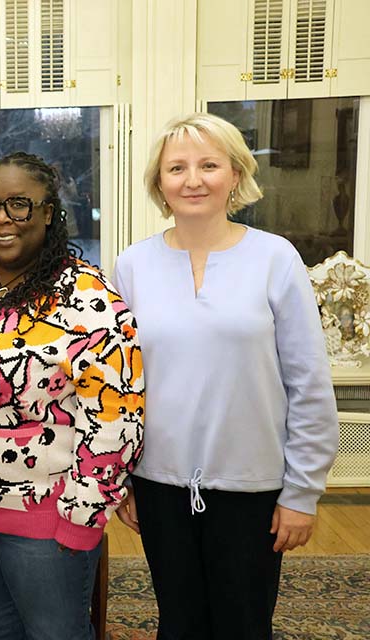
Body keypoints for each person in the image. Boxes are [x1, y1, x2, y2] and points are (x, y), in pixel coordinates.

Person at [112, 112, 339, 640]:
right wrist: (122, 479)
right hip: (159, 484)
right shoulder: (132, 266)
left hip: (252, 486)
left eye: (209, 164)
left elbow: (308, 381)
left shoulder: (275, 258)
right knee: (179, 622)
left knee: (244, 624)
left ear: (235, 175)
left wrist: (302, 491)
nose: (193, 179)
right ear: (159, 183)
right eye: (177, 167)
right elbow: (120, 385)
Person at [0, 151, 145, 640]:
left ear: (49, 213)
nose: (1, 219)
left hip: (48, 511)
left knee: (55, 632)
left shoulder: (85, 297)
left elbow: (118, 415)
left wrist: (84, 512)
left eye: (20, 205)